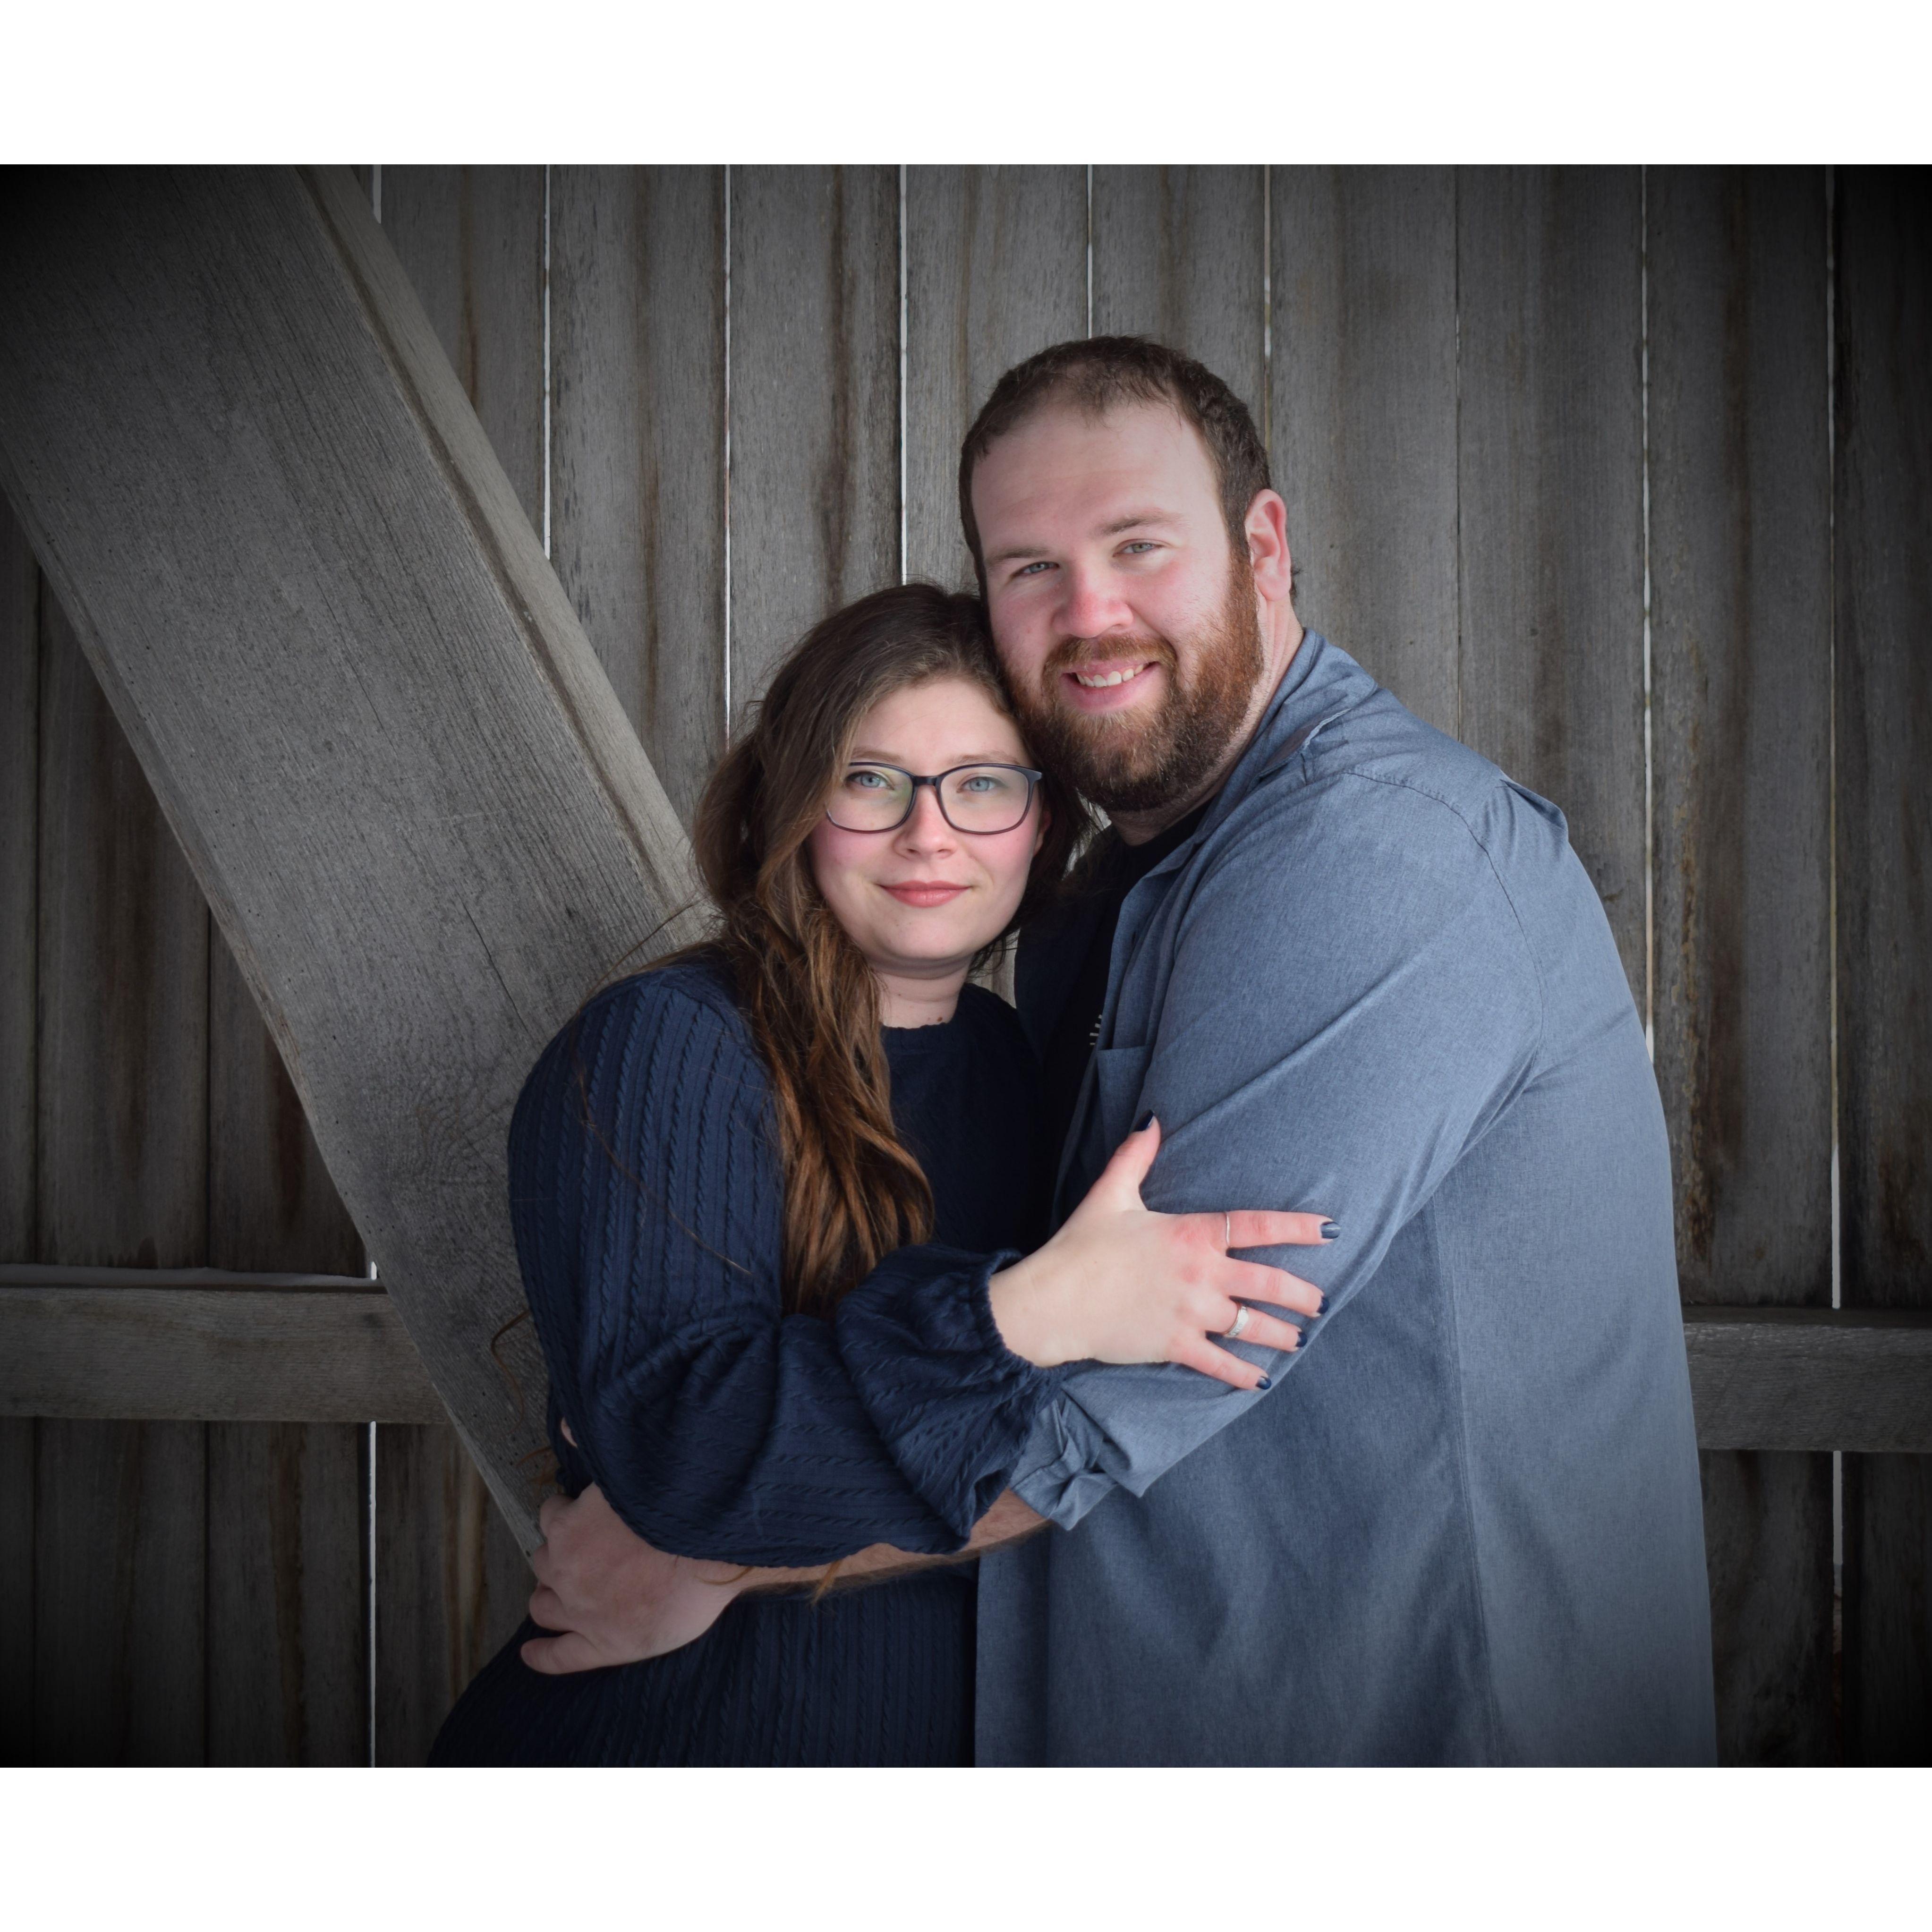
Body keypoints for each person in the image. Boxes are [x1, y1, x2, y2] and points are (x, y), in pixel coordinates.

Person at [523, 337, 1719, 1766]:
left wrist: (710, 1553)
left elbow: (1109, 1400)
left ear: (1261, 549)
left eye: (1138, 544)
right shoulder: (1088, 916)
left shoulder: (1376, 861)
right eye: (1031, 566)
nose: (1090, 614)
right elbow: (1034, 1323)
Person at [428, 582, 1329, 1765]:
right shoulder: (666, 1045)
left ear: (1044, 824)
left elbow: (1063, 1445)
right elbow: (683, 1464)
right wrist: (1029, 1311)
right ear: (793, 805)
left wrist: (728, 1570)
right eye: (871, 781)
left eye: (983, 784)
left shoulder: (1017, 1066)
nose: (929, 834)